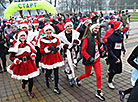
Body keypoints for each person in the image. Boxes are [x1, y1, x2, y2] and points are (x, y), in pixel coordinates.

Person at [75, 24, 105, 101]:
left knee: (99, 76)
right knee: (87, 74)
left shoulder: (97, 37)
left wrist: (102, 52)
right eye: (95, 28)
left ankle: (98, 92)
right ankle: (78, 79)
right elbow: (83, 51)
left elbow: (98, 47)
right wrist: (89, 58)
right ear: (92, 28)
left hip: (97, 60)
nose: (97, 30)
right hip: (89, 60)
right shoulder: (86, 38)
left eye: (98, 28)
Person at [7, 31, 40, 98]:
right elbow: (11, 57)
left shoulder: (29, 44)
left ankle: (30, 91)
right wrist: (16, 60)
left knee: (31, 78)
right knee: (25, 78)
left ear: (26, 37)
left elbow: (33, 52)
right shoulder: (16, 45)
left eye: (24, 36)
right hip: (21, 64)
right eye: (21, 36)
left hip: (29, 63)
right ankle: (24, 83)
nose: (22, 37)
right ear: (19, 37)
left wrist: (33, 55)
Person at [39, 24, 64, 94]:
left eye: (50, 30)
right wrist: (47, 49)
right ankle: (47, 79)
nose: (49, 31)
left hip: (56, 57)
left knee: (56, 73)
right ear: (45, 31)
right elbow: (41, 50)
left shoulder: (55, 38)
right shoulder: (42, 39)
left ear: (52, 31)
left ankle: (56, 87)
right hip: (48, 58)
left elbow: (59, 44)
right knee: (48, 71)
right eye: (47, 30)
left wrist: (57, 48)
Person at [57, 22, 80, 86]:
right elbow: (59, 43)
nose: (69, 28)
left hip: (73, 51)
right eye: (68, 26)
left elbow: (79, 40)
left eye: (70, 26)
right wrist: (63, 45)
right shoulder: (61, 35)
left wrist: (77, 42)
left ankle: (68, 72)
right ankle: (70, 78)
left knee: (72, 64)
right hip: (66, 52)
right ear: (65, 27)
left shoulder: (75, 33)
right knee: (67, 64)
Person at [107, 21, 126, 89]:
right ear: (117, 27)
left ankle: (110, 75)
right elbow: (109, 50)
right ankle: (109, 82)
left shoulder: (120, 35)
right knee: (113, 70)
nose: (122, 27)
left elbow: (121, 43)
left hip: (118, 55)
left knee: (119, 70)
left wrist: (123, 49)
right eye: (121, 26)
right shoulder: (110, 37)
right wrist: (115, 58)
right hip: (112, 57)